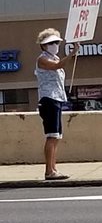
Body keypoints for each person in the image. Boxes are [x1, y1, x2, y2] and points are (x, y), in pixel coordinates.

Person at [34, 29, 74, 181]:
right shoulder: (42, 59)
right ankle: (49, 171)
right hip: (48, 99)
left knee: (56, 137)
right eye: (51, 43)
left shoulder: (54, 57)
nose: (55, 45)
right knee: (51, 136)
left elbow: (59, 64)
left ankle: (53, 168)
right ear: (43, 46)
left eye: (56, 42)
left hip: (56, 99)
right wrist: (71, 54)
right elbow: (57, 66)